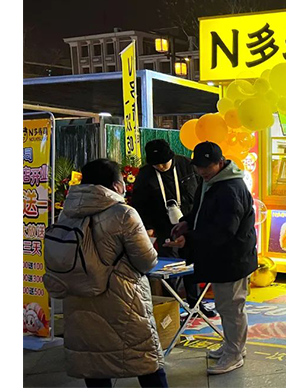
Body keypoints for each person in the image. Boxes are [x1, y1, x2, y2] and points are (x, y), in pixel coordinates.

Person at [59, 159, 168, 388]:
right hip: (123, 300)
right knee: (145, 359)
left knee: (93, 360)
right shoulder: (124, 214)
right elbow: (147, 260)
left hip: (79, 297)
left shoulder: (67, 213)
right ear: (117, 185)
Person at [166, 142, 257, 375]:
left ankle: (234, 354)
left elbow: (224, 230)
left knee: (232, 306)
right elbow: (200, 211)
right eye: (198, 167)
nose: (202, 171)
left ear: (221, 162)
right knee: (226, 305)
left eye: (207, 167)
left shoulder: (230, 188)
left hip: (232, 257)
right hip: (221, 256)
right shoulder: (212, 182)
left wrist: (190, 239)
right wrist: (186, 222)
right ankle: (233, 345)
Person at [131, 139, 212, 316]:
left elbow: (202, 191)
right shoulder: (145, 174)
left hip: (189, 223)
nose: (161, 167)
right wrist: (148, 226)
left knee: (191, 265)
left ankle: (196, 304)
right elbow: (139, 204)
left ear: (171, 157)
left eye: (164, 163)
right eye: (156, 164)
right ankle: (172, 308)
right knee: (169, 268)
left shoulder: (187, 166)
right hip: (163, 227)